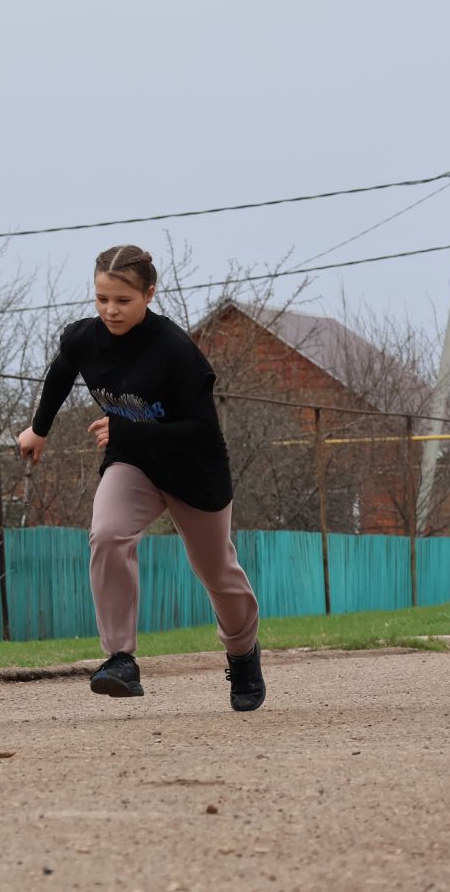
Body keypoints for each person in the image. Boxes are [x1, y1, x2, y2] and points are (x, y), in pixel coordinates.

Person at [17, 246, 265, 712]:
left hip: (194, 471)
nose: (110, 310)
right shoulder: (84, 338)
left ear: (150, 294)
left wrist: (129, 427)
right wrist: (40, 429)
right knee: (107, 535)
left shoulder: (174, 349)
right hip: (133, 460)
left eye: (123, 300)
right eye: (102, 298)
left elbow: (202, 429)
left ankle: (243, 653)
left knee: (217, 573)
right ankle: (120, 659)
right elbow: (61, 372)